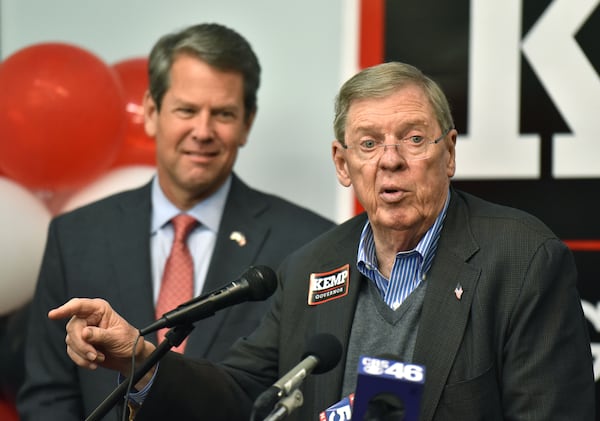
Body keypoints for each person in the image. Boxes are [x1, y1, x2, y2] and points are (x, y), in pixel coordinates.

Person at [48, 61, 595, 420]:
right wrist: (138, 356)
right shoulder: (313, 264)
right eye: (368, 143)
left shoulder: (520, 259)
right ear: (342, 163)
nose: (390, 160)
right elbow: (242, 394)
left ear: (448, 153)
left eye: (413, 138)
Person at [16, 23, 334, 421]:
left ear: (247, 124)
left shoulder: (307, 243)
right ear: (151, 112)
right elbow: (47, 398)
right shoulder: (76, 235)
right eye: (186, 110)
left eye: (223, 114)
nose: (202, 132)